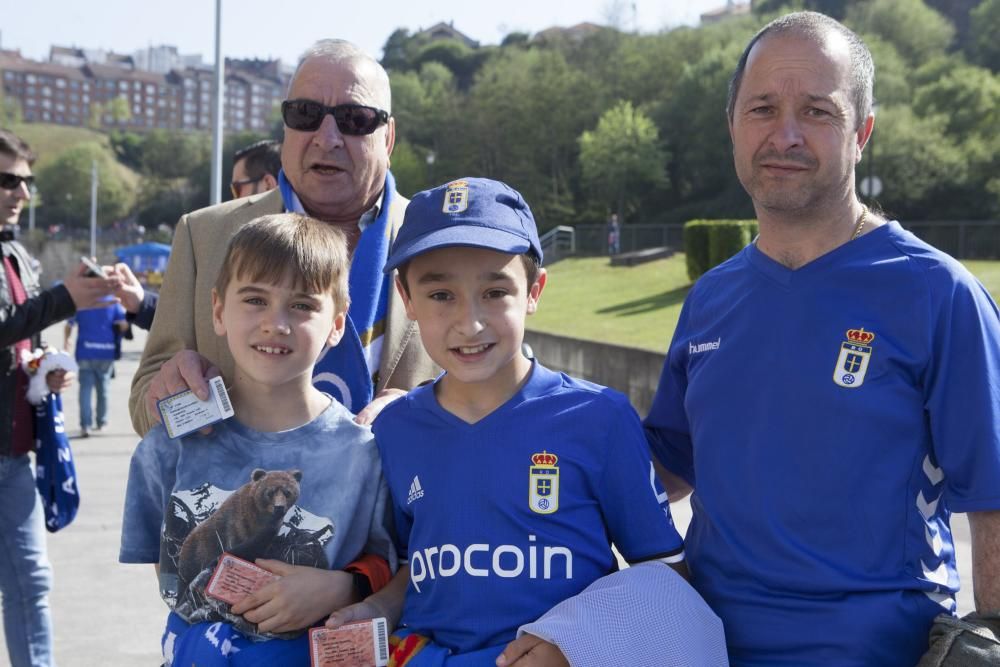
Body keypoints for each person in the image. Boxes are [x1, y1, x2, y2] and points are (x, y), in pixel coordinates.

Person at [643, 12, 1000, 666]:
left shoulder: (937, 294)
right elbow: (665, 466)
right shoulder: (711, 300)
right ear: (733, 127)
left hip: (876, 649)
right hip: (704, 645)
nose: (785, 134)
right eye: (763, 109)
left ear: (862, 132)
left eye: (816, 112)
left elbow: (995, 501)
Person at [327, 178, 727, 666]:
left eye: (495, 291)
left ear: (534, 290)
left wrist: (580, 646)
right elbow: (420, 565)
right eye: (440, 295)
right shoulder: (395, 431)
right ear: (406, 297)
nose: (469, 323)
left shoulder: (599, 419)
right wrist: (375, 607)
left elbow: (666, 582)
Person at [120, 213, 396, 666]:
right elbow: (170, 577)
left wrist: (345, 587)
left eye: (303, 305)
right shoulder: (166, 447)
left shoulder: (365, 453)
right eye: (254, 299)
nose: (276, 323)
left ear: (337, 324)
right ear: (217, 311)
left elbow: (389, 567)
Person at [129, 38, 436, 436]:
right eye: (306, 114)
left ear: (388, 138)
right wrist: (172, 395)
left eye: (354, 119)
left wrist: (426, 411)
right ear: (286, 125)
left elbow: (491, 389)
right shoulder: (203, 236)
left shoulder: (439, 241)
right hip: (250, 495)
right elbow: (143, 407)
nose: (327, 138)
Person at [0, 128, 117, 666]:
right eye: (7, 182)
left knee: (32, 583)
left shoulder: (19, 256)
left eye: (26, 182)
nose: (21, 194)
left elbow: (21, 336)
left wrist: (44, 370)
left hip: (15, 454)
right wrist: (64, 299)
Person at [64, 297, 128, 437]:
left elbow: (69, 324)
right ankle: (101, 421)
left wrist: (67, 340)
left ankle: (85, 425)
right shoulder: (113, 302)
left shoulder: (82, 301)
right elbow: (123, 325)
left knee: (85, 389)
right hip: (106, 351)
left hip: (85, 350)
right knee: (103, 388)